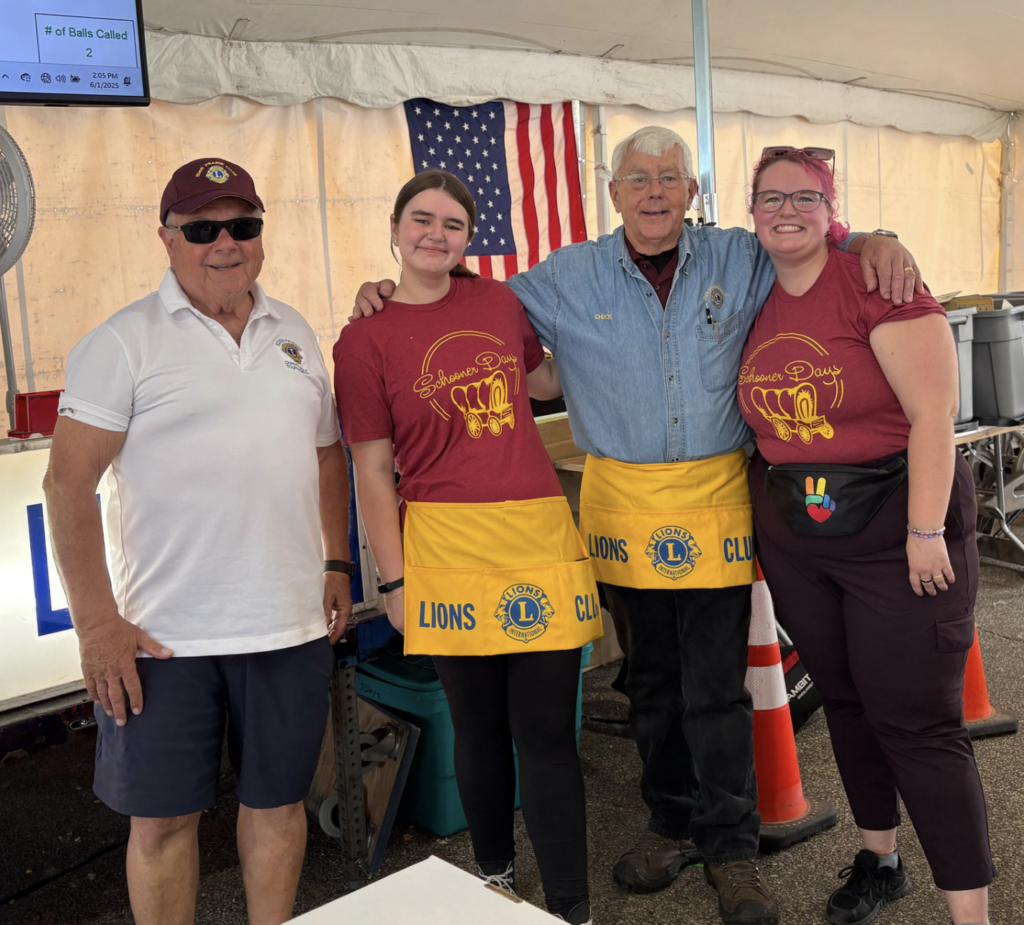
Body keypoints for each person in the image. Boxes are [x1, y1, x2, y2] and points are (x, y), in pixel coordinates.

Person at [351, 127, 922, 925]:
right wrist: (385, 287)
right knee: (650, 683)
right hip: (621, 509)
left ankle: (730, 845)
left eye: (670, 177)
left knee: (719, 686)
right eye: (637, 178)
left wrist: (874, 237)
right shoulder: (561, 276)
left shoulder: (739, 255)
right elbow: (459, 297)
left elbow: (804, 235)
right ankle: (669, 820)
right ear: (611, 191)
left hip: (716, 497)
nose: (654, 191)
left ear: (692, 192)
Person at [43, 158, 353, 925]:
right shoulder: (123, 341)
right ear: (166, 237)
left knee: (279, 809)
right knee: (161, 824)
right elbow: (66, 484)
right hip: (163, 640)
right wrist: (98, 627)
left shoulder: (296, 333)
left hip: (287, 626)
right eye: (202, 228)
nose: (225, 243)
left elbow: (324, 452)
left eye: (242, 226)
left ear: (260, 236)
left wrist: (337, 556)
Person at [333, 170, 602, 925]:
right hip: (443, 549)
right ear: (393, 227)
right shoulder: (362, 340)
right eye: (422, 219)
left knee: (547, 732)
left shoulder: (497, 302)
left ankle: (574, 910)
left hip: (536, 537)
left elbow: (543, 377)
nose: (435, 234)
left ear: (468, 240)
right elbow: (373, 472)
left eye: (453, 224)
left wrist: (610, 339)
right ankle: (496, 882)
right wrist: (394, 581)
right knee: (476, 727)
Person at [739, 146, 993, 925]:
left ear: (831, 207)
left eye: (804, 197)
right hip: (800, 536)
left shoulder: (877, 281)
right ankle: (880, 859)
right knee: (846, 703)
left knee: (917, 722)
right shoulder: (748, 287)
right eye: (770, 197)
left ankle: (971, 915)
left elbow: (932, 417)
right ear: (750, 212)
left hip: (898, 528)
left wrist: (926, 531)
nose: (787, 210)